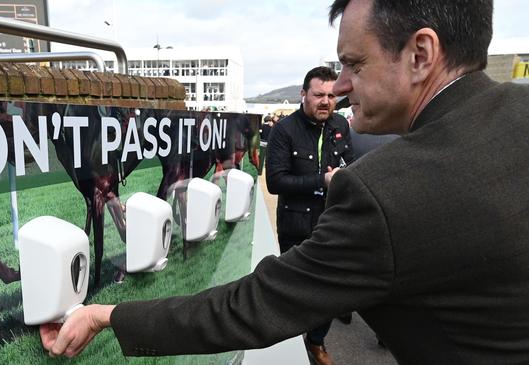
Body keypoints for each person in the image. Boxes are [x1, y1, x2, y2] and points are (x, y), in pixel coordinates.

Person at [40, 1, 529, 364]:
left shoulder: (387, 192)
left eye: (354, 65)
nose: (338, 86)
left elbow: (253, 307)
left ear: (421, 53)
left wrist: (108, 315)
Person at [265, 66, 354, 365]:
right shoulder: (284, 130)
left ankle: (316, 343)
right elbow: (275, 182)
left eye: (331, 95)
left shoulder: (341, 124)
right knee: (295, 292)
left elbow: (349, 165)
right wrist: (322, 181)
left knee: (332, 291)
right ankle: (288, 346)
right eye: (318, 95)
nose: (326, 101)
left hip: (333, 224)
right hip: (295, 226)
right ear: (303, 94)